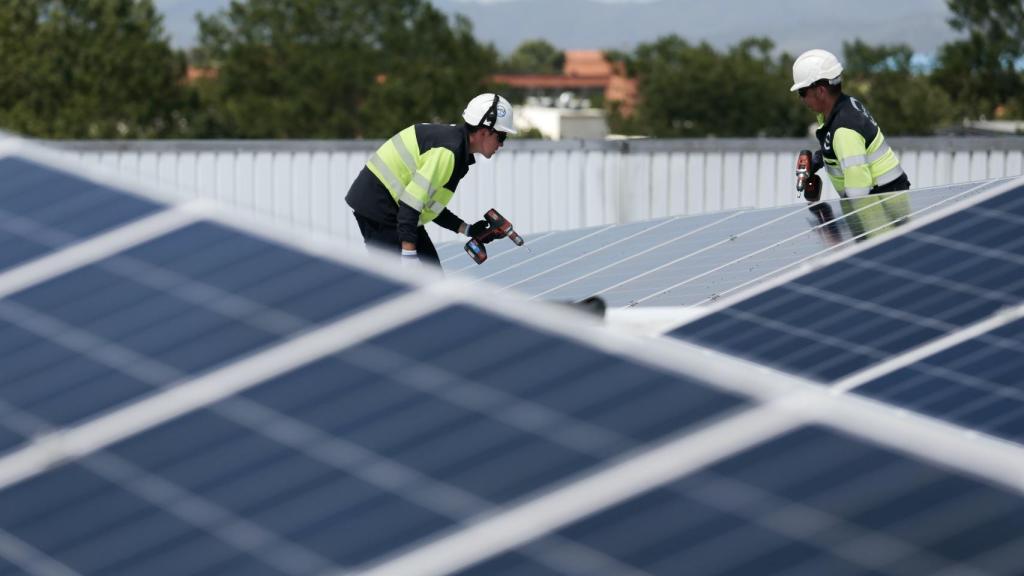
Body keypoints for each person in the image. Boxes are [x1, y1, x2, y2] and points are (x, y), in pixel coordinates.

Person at [346, 93, 516, 267]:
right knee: (408, 284)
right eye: (501, 137)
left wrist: (467, 229)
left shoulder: (456, 148)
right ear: (483, 132)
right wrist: (409, 256)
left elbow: (428, 203)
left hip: (393, 207)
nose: (501, 144)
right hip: (379, 207)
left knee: (431, 277)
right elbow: (411, 204)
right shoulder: (448, 152)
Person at [791, 48, 911, 241]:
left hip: (880, 206)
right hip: (886, 198)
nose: (801, 98)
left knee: (880, 259)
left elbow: (859, 195)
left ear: (821, 90)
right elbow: (849, 150)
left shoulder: (844, 129)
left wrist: (838, 231)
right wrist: (819, 159)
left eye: (802, 92)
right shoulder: (845, 107)